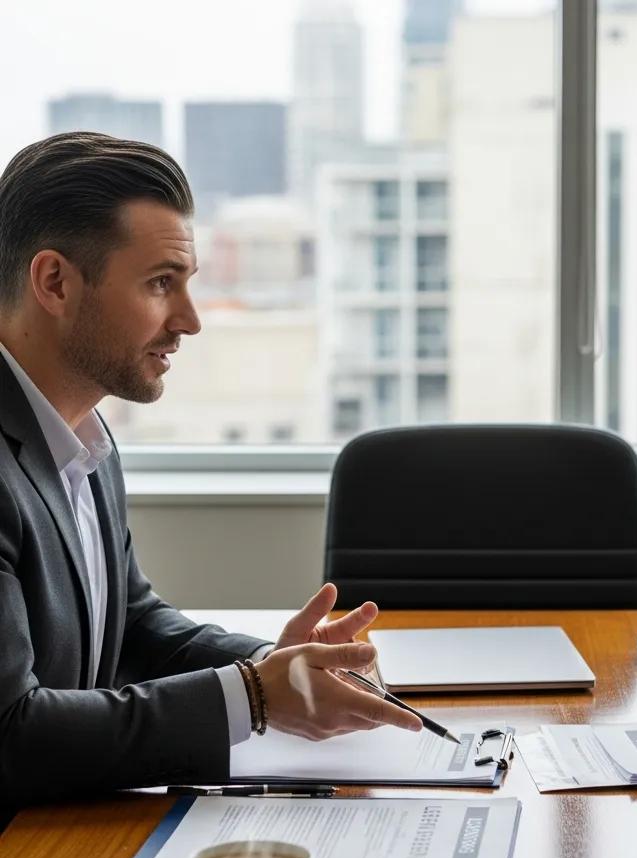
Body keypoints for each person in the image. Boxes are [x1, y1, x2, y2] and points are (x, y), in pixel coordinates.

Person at [0, 132, 420, 808]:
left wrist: (277, 667)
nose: (190, 321)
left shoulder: (82, 433)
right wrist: (254, 698)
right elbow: (10, 733)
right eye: (161, 284)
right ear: (54, 282)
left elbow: (131, 625)